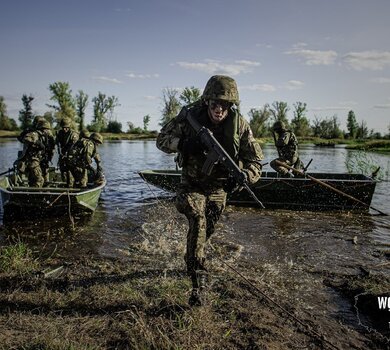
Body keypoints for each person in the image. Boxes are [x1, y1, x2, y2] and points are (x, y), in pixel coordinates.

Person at [156, 75, 263, 306]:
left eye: (225, 105)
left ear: (231, 106)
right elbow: (161, 140)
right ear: (207, 101)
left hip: (218, 189)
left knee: (205, 232)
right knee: (198, 218)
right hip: (191, 184)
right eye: (215, 103)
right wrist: (183, 144)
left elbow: (256, 162)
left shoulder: (240, 125)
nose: (219, 109)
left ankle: (192, 256)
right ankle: (198, 285)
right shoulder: (189, 117)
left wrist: (245, 176)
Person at [14, 119, 55, 187]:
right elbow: (26, 138)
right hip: (33, 160)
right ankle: (37, 195)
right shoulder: (35, 134)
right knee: (39, 179)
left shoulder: (47, 136)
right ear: (42, 129)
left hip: (42, 160)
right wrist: (37, 143)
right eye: (46, 129)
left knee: (42, 179)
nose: (48, 131)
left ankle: (40, 191)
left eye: (48, 130)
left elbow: (52, 147)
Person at [56, 117, 79, 185]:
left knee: (70, 173)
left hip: (71, 157)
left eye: (66, 127)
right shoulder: (60, 133)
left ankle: (71, 187)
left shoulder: (74, 134)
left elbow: (71, 145)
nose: (64, 129)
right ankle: (65, 185)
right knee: (63, 172)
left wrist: (64, 152)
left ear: (69, 127)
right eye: (63, 127)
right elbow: (57, 143)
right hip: (63, 156)